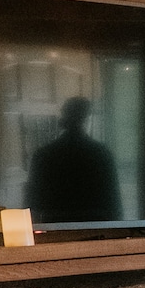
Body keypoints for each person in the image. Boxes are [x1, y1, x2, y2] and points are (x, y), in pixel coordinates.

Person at [27, 96, 121, 225]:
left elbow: (32, 204)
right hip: (96, 228)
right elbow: (114, 204)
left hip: (53, 229)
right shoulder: (102, 153)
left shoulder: (43, 154)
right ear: (87, 118)